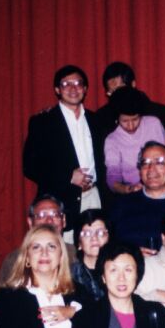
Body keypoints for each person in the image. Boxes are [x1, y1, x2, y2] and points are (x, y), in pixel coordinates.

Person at [22, 65, 107, 227]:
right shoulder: (42, 122)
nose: (73, 88)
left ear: (85, 89)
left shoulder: (97, 120)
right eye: (66, 84)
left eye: (78, 83)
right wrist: (68, 176)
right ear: (57, 89)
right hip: (61, 202)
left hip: (94, 197)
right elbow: (30, 167)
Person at [109, 142, 165, 249]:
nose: (151, 169)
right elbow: (109, 247)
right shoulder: (121, 206)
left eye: (159, 162)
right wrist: (133, 252)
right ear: (140, 171)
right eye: (145, 163)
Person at [103, 87, 165, 195]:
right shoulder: (112, 140)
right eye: (125, 121)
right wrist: (128, 189)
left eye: (135, 119)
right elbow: (112, 177)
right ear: (117, 119)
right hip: (135, 193)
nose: (131, 126)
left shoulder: (153, 124)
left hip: (164, 188)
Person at [70, 210, 109, 302]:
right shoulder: (69, 275)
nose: (94, 238)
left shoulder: (119, 270)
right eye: (87, 234)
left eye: (100, 233)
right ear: (79, 243)